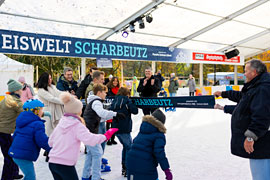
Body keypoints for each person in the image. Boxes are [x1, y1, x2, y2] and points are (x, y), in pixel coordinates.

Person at [214, 59, 270, 180]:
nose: (244, 74)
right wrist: (224, 96)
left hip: (262, 144)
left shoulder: (263, 88)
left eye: (246, 71)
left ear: (254, 72)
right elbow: (243, 101)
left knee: (262, 175)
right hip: (261, 143)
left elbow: (262, 116)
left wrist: (250, 137)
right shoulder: (256, 86)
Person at [48, 92, 118, 180]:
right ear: (77, 111)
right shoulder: (76, 125)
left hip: (53, 162)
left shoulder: (61, 123)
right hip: (65, 164)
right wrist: (105, 136)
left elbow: (50, 142)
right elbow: (90, 139)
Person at [82, 84, 125, 180]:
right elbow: (101, 113)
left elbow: (101, 117)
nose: (106, 94)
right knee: (97, 153)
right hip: (90, 131)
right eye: (105, 92)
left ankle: (85, 176)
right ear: (99, 92)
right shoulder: (96, 102)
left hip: (88, 130)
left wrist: (114, 116)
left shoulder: (93, 101)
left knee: (90, 153)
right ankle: (96, 177)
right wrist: (115, 114)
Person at [8, 99, 51, 180]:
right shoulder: (38, 124)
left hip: (15, 153)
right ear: (36, 111)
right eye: (41, 109)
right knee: (30, 177)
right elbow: (42, 141)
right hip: (23, 156)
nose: (42, 112)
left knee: (29, 176)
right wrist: (51, 148)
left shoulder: (21, 121)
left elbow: (15, 136)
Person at [126, 109, 173, 180]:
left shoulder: (143, 130)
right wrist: (166, 170)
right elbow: (159, 153)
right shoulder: (159, 135)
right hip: (145, 166)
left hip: (130, 163)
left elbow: (134, 143)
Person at [109, 87, 138, 177]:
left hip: (115, 128)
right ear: (127, 94)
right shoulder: (126, 100)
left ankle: (124, 168)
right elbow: (135, 111)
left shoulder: (115, 100)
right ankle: (128, 168)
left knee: (126, 147)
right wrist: (131, 102)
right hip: (124, 128)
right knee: (129, 147)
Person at [37, 72, 64, 162]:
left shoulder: (52, 87)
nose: (50, 80)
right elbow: (51, 98)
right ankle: (49, 153)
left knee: (56, 132)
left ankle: (52, 150)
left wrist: (67, 95)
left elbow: (58, 93)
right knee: (49, 132)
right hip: (47, 112)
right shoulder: (41, 90)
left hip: (56, 111)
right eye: (48, 78)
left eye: (51, 78)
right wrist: (63, 101)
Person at [0, 79, 24, 180]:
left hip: (3, 131)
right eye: (21, 89)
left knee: (13, 154)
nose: (22, 91)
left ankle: (14, 173)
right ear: (16, 90)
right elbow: (25, 113)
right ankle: (6, 178)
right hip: (5, 133)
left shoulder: (5, 99)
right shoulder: (15, 102)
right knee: (9, 156)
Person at [106, 76, 120, 145]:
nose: (115, 82)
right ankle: (108, 139)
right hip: (109, 108)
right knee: (108, 125)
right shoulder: (108, 88)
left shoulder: (119, 89)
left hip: (115, 108)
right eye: (114, 81)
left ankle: (113, 138)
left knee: (114, 125)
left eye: (116, 81)